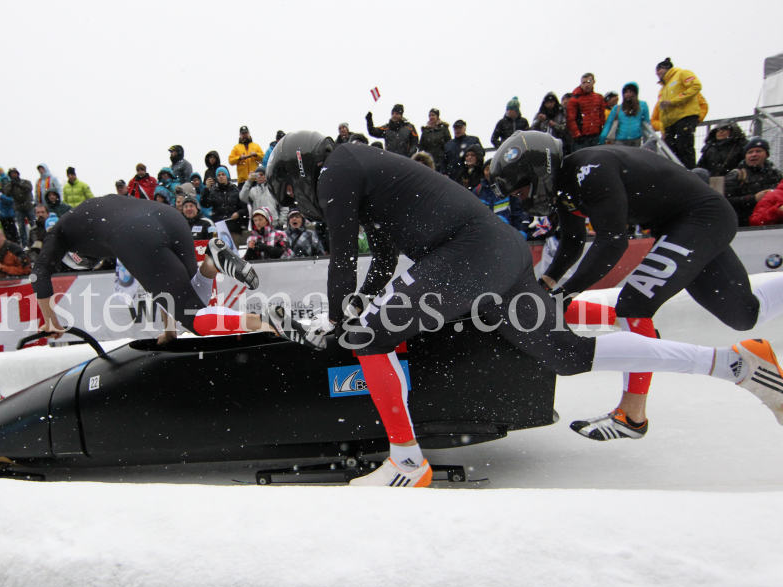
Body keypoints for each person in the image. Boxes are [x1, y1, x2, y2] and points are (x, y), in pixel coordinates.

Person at [264, 130, 783, 487]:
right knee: (567, 354)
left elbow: (338, 260)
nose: (292, 199)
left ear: (301, 167)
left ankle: (406, 460)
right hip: (497, 251)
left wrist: (340, 321)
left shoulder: (336, 168)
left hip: (468, 252)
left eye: (288, 188)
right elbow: (376, 262)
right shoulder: (359, 169)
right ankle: (735, 362)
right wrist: (358, 305)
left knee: (367, 337)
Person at [491, 130, 783, 440]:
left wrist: (566, 294)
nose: (520, 199)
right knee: (745, 314)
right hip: (688, 223)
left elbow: (612, 242)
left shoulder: (591, 169)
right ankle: (754, 354)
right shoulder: (565, 186)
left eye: (521, 191)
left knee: (633, 305)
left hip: (698, 218)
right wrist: (547, 284)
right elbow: (573, 241)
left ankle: (631, 415)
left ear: (538, 173)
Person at [31, 196, 272, 343]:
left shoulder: (58, 234)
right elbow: (159, 285)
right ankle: (210, 263)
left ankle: (269, 323)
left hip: (134, 233)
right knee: (192, 299)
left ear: (76, 256)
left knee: (195, 320)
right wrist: (169, 331)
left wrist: (50, 320)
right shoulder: (88, 212)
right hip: (168, 216)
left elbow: (39, 272)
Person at [654, 57, 703, 168]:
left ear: (666, 68)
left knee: (685, 146)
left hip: (685, 116)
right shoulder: (663, 89)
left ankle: (690, 171)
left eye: (659, 69)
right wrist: (663, 129)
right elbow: (662, 111)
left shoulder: (682, 73)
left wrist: (673, 101)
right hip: (670, 123)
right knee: (670, 150)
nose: (657, 73)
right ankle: (678, 171)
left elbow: (696, 86)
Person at [724, 138, 782, 226]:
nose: (754, 155)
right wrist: (753, 198)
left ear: (766, 155)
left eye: (758, 151)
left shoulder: (776, 175)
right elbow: (726, 201)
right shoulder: (736, 175)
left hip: (769, 224)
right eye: (750, 152)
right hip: (742, 225)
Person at [201, 166, 245, 244]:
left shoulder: (236, 190)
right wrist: (206, 189)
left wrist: (238, 213)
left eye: (223, 174)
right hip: (219, 228)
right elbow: (205, 204)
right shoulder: (213, 191)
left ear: (227, 176)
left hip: (233, 227)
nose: (221, 177)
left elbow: (244, 208)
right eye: (219, 175)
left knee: (234, 254)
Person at [599, 83, 650, 147]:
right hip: (620, 140)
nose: (628, 94)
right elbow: (609, 123)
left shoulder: (643, 105)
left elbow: (646, 122)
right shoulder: (617, 108)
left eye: (630, 92)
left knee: (633, 157)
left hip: (636, 140)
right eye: (626, 92)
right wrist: (603, 136)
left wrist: (648, 138)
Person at [566, 73, 607, 152]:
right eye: (583, 83)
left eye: (588, 82)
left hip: (595, 136)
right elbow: (571, 119)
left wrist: (601, 131)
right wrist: (577, 135)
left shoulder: (599, 98)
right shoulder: (575, 99)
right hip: (581, 138)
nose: (586, 85)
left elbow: (602, 117)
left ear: (593, 82)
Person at [2, 168, 34, 247]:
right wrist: (12, 185)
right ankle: (25, 244)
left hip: (28, 206)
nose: (13, 175)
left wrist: (18, 184)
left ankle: (35, 240)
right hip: (18, 208)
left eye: (14, 173)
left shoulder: (25, 181)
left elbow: (28, 189)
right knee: (21, 227)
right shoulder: (9, 184)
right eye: (11, 174)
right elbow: (7, 193)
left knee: (33, 225)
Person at [418, 109, 452, 174]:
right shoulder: (425, 131)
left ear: (437, 116)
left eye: (433, 115)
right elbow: (421, 146)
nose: (431, 117)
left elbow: (449, 145)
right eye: (430, 116)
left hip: (441, 161)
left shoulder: (444, 129)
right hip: (428, 161)